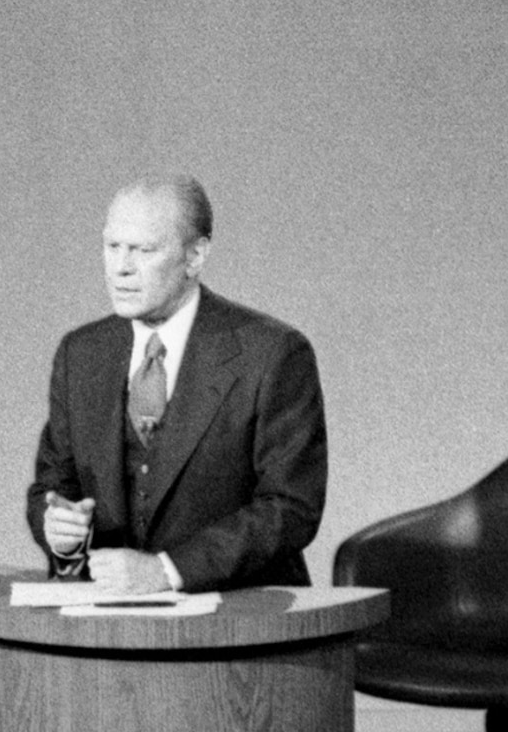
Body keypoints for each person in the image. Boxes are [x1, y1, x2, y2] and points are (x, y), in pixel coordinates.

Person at [23, 175, 327, 593]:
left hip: (241, 620)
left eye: (144, 250)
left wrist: (167, 570)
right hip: (112, 629)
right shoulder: (81, 354)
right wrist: (60, 531)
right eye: (112, 247)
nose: (121, 267)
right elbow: (54, 485)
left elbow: (290, 508)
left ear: (195, 256)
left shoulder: (273, 354)